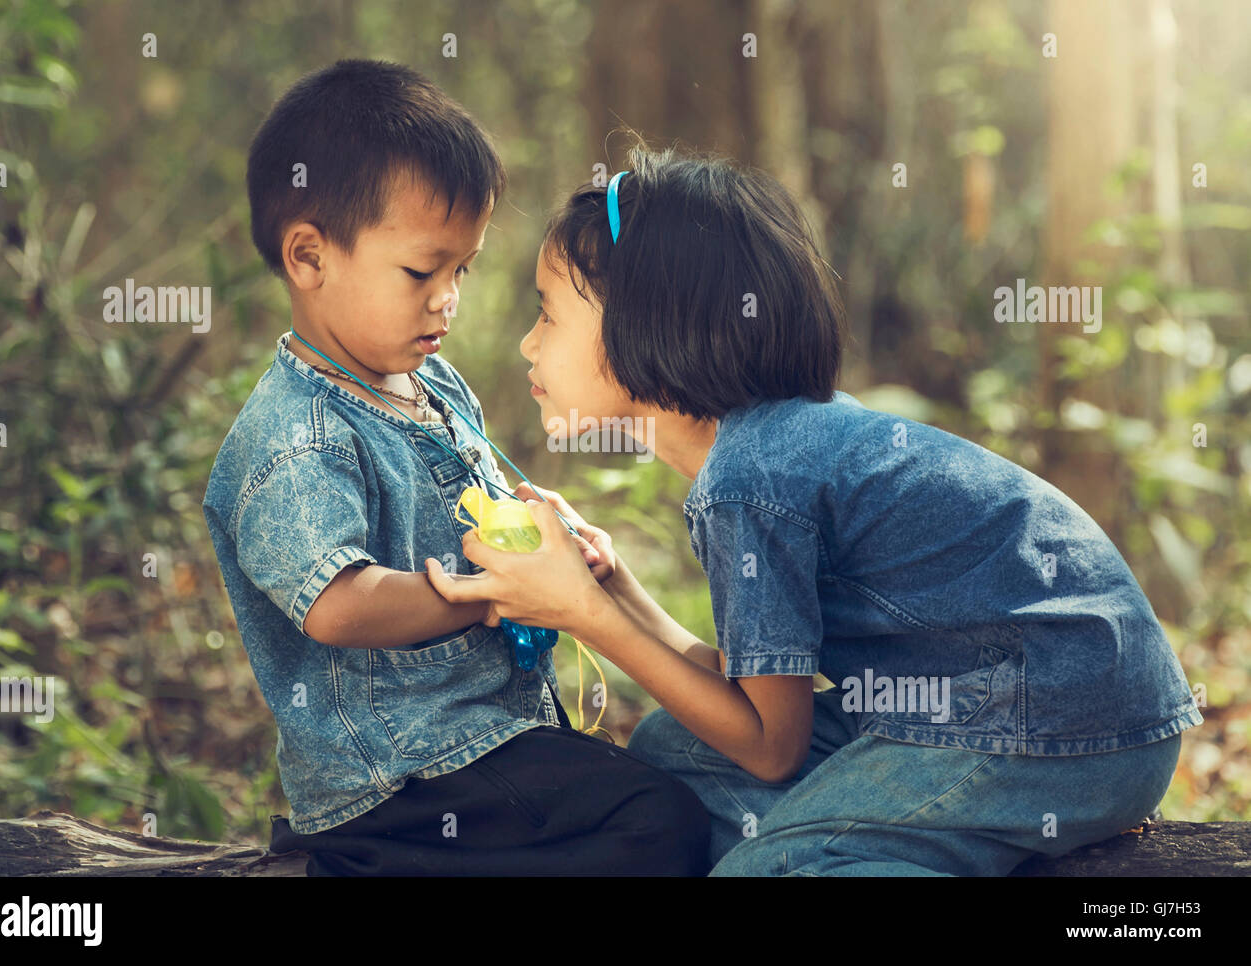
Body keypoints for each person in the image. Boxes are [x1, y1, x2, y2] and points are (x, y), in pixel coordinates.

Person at [424, 143, 1204, 876]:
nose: (529, 345)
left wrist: (582, 617)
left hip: (1059, 724)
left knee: (767, 869)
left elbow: (771, 749)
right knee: (674, 748)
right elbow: (757, 692)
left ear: (650, 324)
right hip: (1059, 697)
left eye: (550, 315)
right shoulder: (775, 445)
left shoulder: (753, 478)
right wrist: (612, 589)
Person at [202, 61, 710, 876]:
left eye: (462, 270)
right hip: (403, 779)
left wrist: (545, 537)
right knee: (657, 823)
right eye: (420, 271)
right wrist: (485, 596)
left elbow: (474, 500)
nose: (447, 299)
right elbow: (336, 604)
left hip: (485, 740)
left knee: (660, 797)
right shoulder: (295, 435)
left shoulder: (430, 382)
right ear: (308, 257)